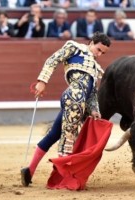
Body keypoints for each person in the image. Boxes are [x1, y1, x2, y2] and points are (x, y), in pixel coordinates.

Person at [20, 32, 111, 187]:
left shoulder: (95, 67)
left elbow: (92, 93)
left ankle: (30, 170)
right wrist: (42, 81)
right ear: (92, 42)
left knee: (54, 134)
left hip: (81, 101)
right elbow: (53, 60)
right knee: (69, 138)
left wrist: (94, 109)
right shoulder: (74, 47)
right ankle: (64, 177)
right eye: (98, 49)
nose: (99, 54)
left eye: (103, 52)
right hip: (74, 96)